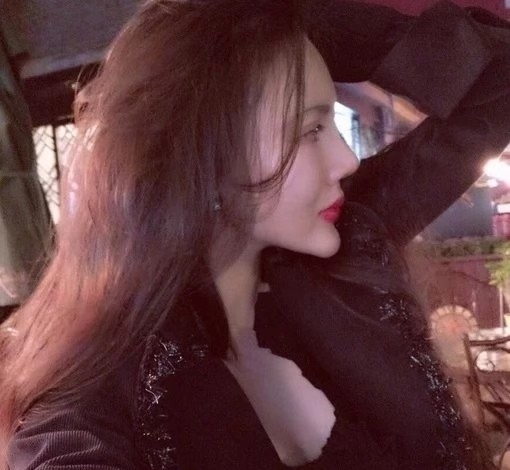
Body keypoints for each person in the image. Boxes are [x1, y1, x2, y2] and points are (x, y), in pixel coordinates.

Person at [1, 0, 510, 469]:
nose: (347, 159)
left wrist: (295, 22)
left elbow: (500, 81)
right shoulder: (90, 402)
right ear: (205, 159)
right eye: (311, 130)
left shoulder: (342, 240)